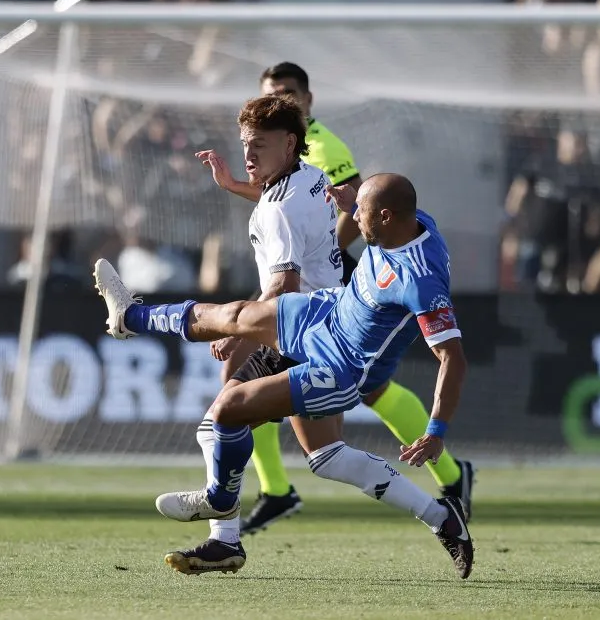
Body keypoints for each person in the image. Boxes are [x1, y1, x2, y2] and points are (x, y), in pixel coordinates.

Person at [93, 173, 473, 579]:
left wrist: (435, 431)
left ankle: (222, 503)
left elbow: (453, 358)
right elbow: (379, 208)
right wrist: (351, 200)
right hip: (326, 312)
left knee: (228, 412)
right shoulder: (411, 221)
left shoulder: (420, 279)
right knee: (236, 317)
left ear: (385, 216)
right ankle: (130, 316)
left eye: (361, 213)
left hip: (341, 368)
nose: (353, 218)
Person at [202, 62, 474, 534]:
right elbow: (299, 201)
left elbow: (337, 212)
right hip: (348, 271)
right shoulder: (283, 149)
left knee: (258, 399)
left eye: (289, 93)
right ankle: (273, 491)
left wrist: (343, 244)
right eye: (273, 94)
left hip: (334, 281)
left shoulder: (327, 147)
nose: (282, 101)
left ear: (308, 101)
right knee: (308, 416)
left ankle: (445, 478)